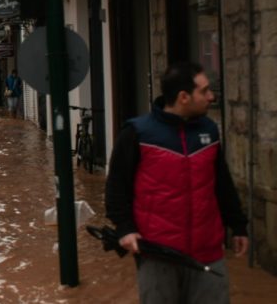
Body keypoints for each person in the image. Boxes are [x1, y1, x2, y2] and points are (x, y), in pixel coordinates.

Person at [105, 62, 248, 303]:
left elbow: (221, 182)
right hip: (158, 255)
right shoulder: (137, 133)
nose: (211, 97)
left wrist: (238, 225)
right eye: (204, 91)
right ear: (184, 97)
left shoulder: (210, 131)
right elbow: (116, 188)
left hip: (208, 251)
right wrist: (125, 228)